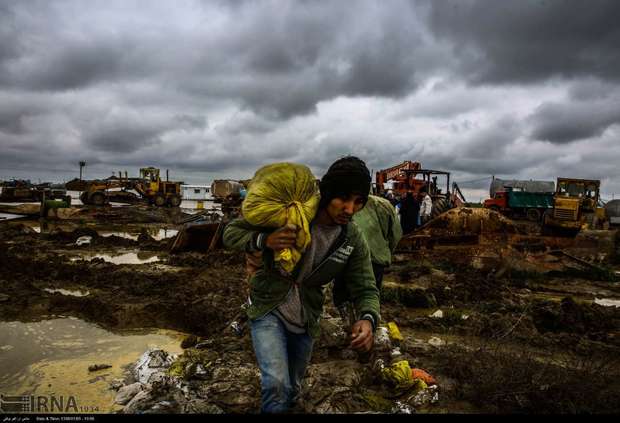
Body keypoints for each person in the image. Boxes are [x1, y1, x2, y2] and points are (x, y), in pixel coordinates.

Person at [223, 156, 380, 414]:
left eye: (358, 202)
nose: (350, 209)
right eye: (344, 198)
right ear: (329, 193)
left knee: (293, 389)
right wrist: (265, 240)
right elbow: (231, 233)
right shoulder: (294, 212)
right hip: (268, 307)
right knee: (276, 385)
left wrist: (367, 319)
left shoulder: (351, 237)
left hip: (307, 316)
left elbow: (365, 285)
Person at [349, 194, 402, 290]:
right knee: (372, 293)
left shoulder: (341, 203)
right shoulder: (383, 204)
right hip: (376, 260)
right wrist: (387, 251)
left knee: (345, 298)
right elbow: (395, 234)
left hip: (348, 259)